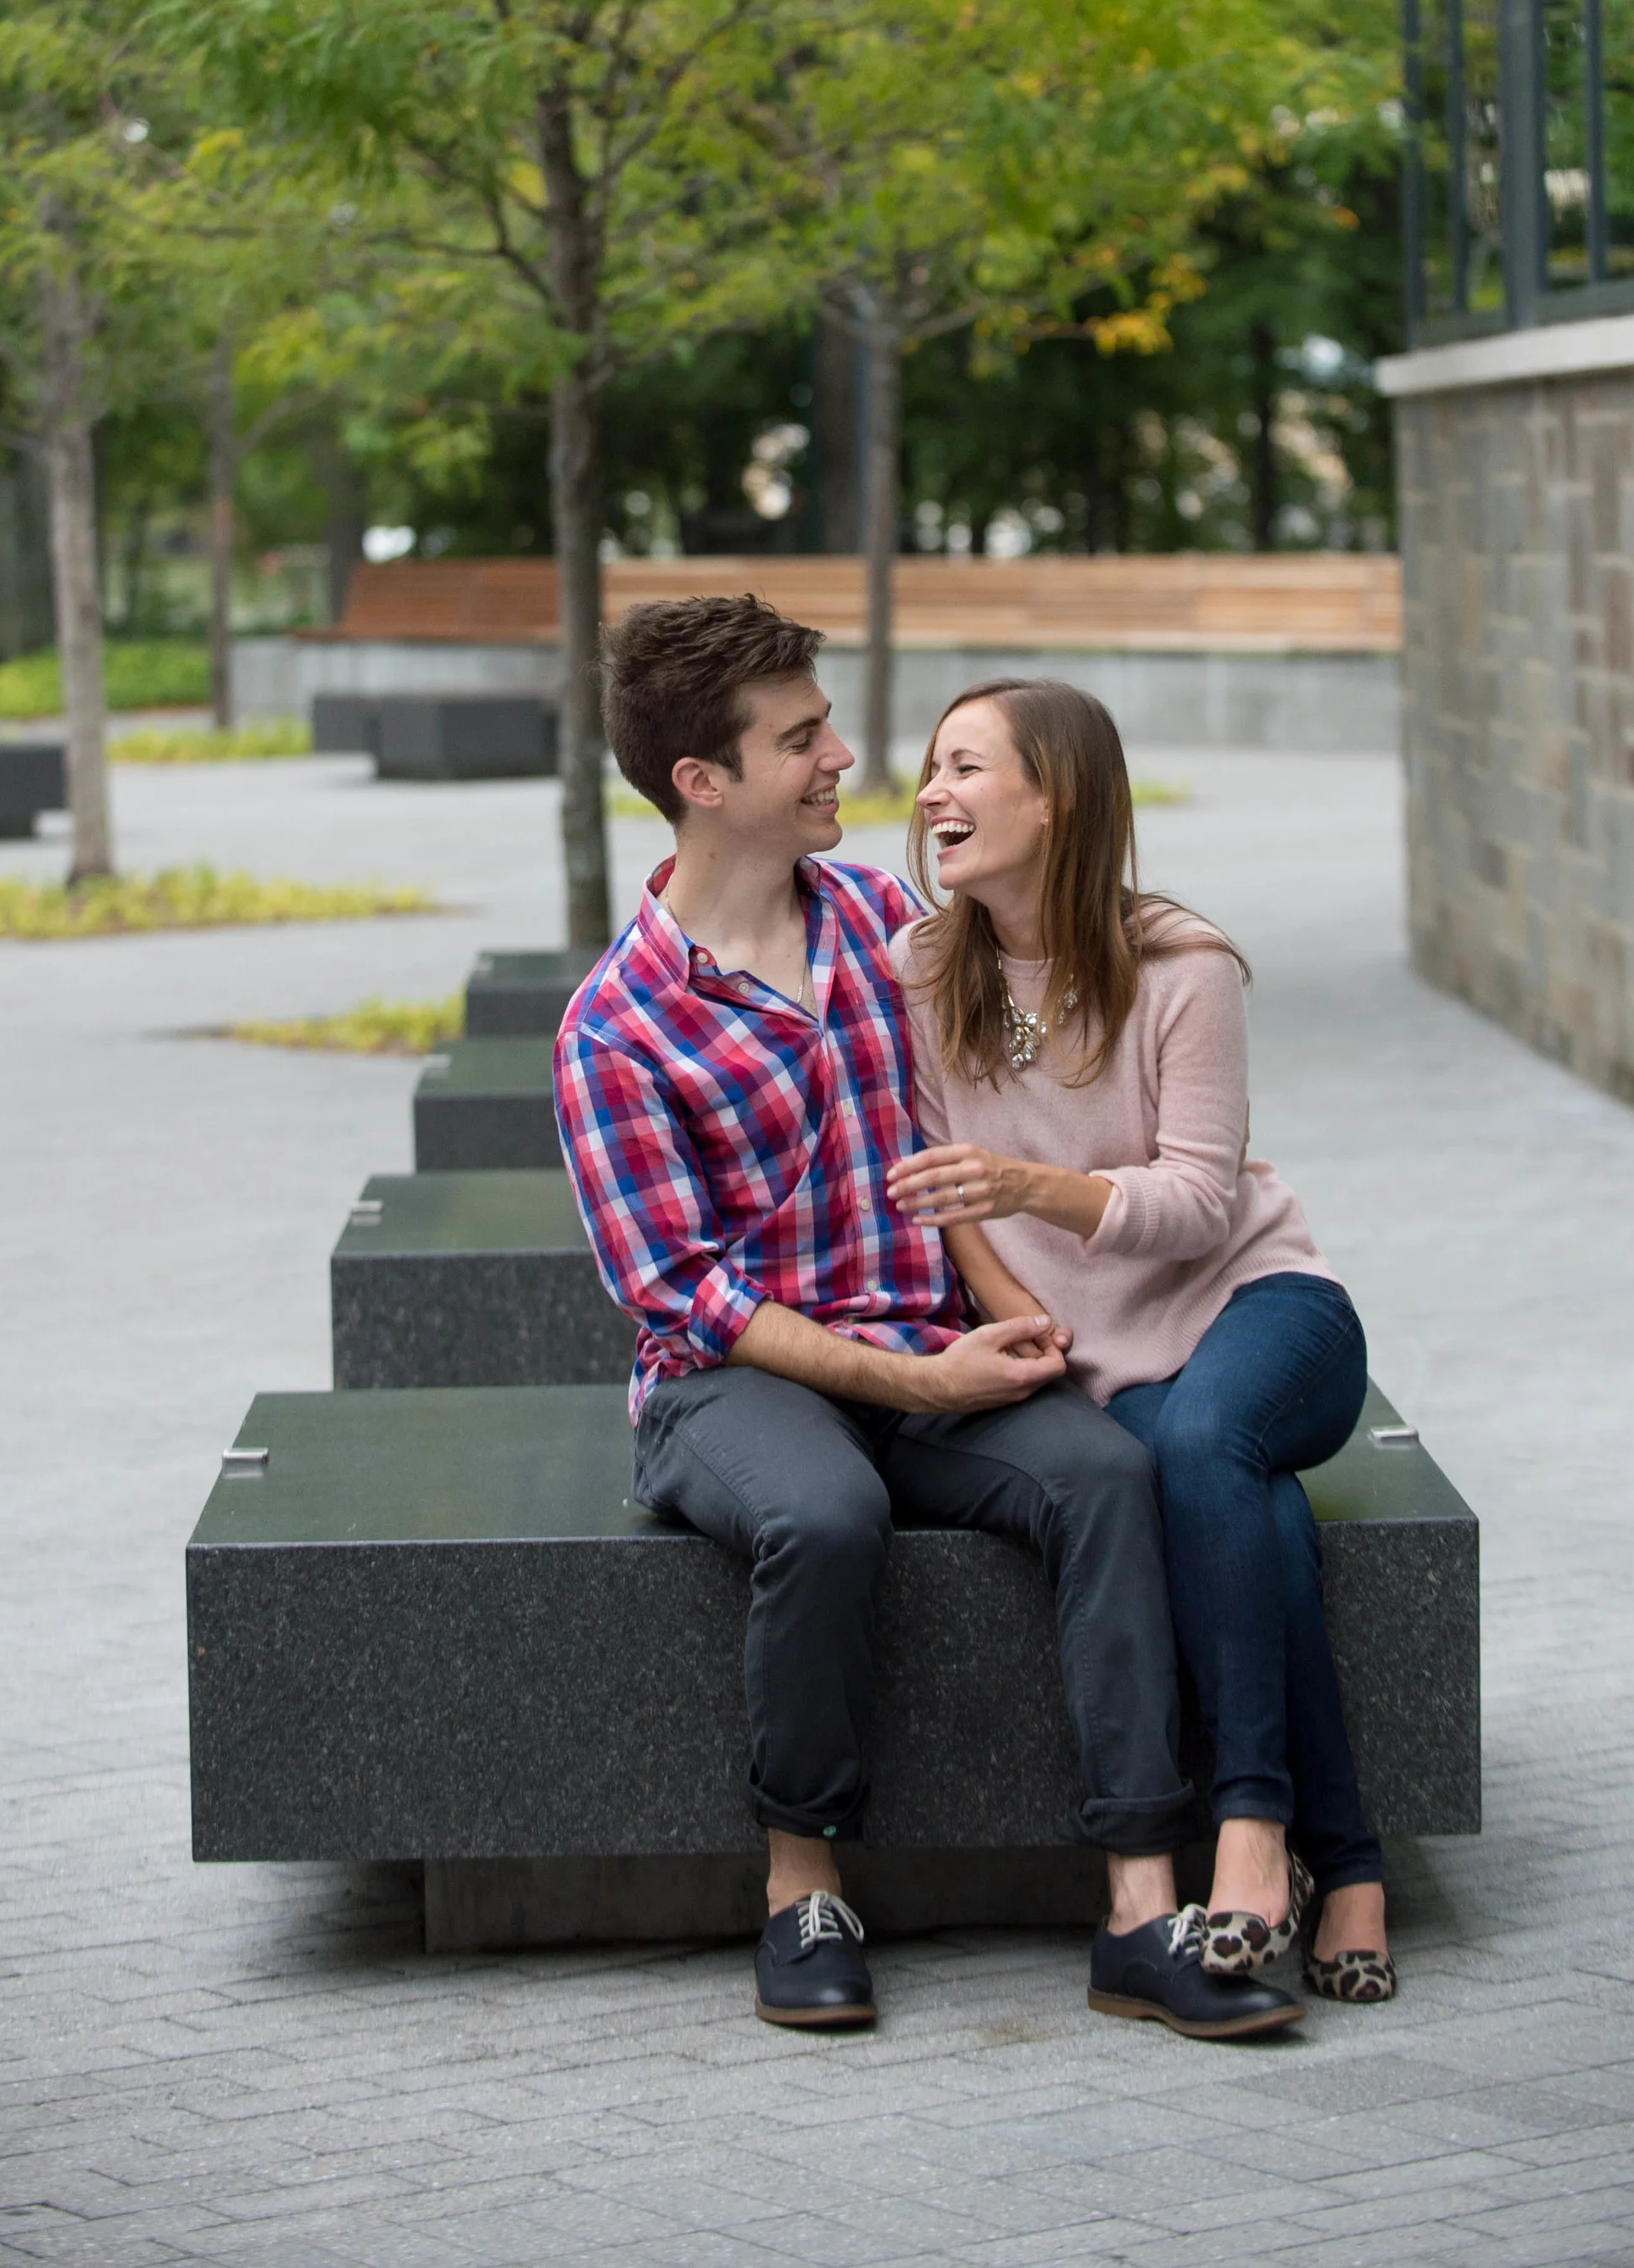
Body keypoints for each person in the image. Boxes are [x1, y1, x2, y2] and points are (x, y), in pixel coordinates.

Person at [554, 594, 1301, 2040]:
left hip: (927, 1339)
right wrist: (916, 1390)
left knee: (1106, 1476)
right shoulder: (616, 1030)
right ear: (704, 783)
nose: (845, 756)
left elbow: (1023, 1022)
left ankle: (1140, 1912)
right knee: (823, 1513)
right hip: (734, 1384)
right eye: (802, 738)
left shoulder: (893, 932)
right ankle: (801, 1884)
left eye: (825, 723)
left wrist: (1000, 1325)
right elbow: (688, 1298)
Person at [884, 678, 1396, 2007]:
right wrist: (1012, 1309)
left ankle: (1248, 1832)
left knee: (1219, 1440)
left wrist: (1029, 1185)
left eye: (968, 767)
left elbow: (1198, 1203)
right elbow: (947, 1200)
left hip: (1259, 1311)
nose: (933, 791)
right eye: (930, 767)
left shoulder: (1183, 963)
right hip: (1103, 1360)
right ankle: (1348, 1867)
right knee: (1245, 1508)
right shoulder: (928, 974)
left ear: (1059, 796)